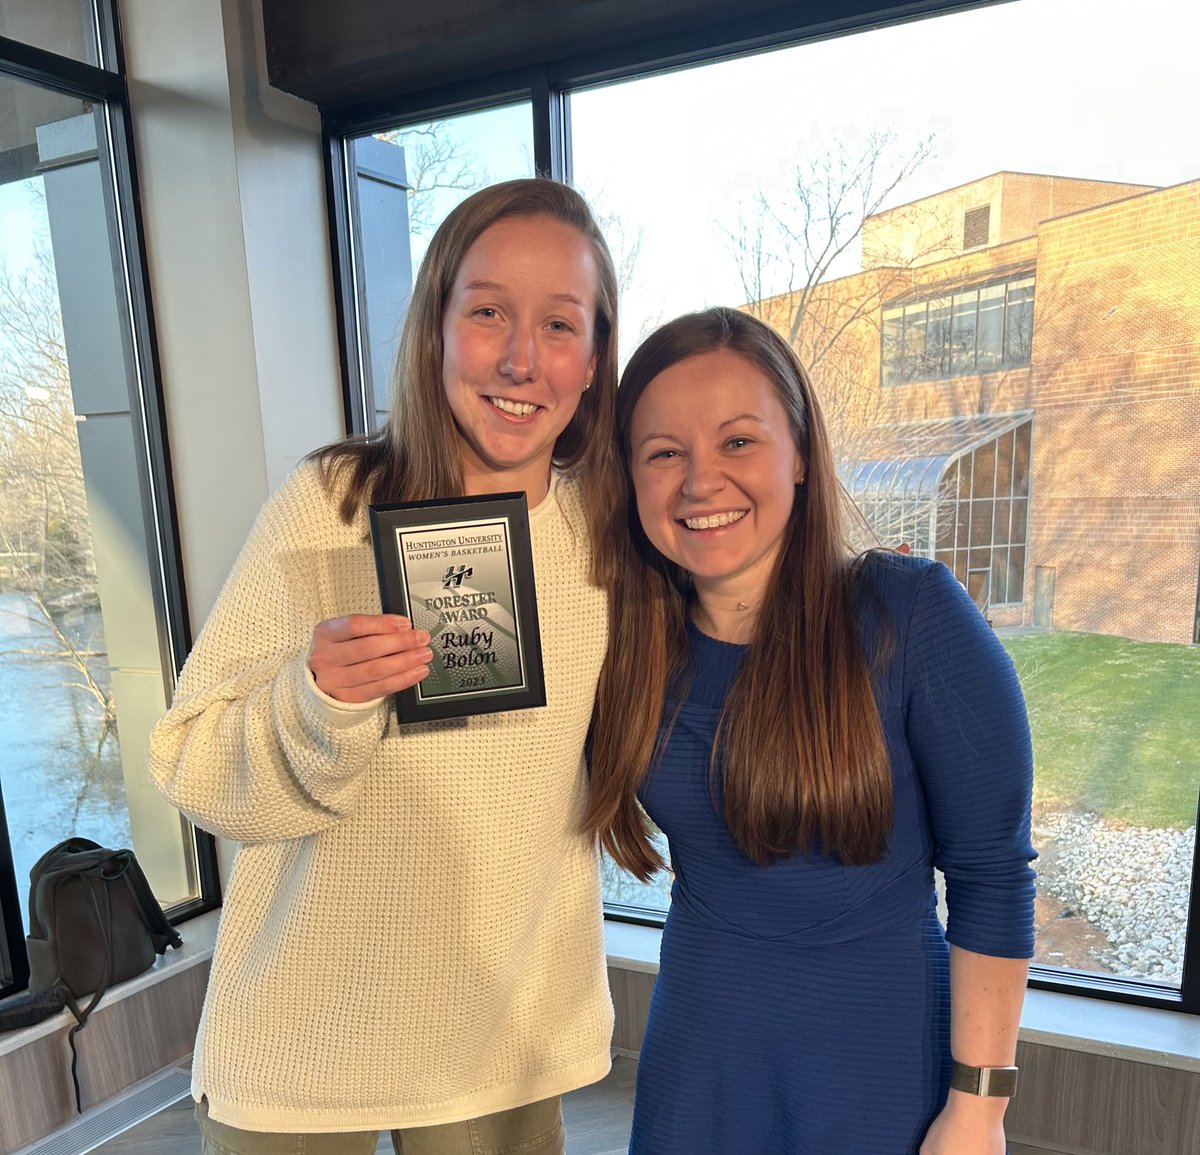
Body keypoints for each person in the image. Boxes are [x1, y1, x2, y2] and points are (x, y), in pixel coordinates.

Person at [148, 178, 620, 1154]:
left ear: (595, 360)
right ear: (435, 327)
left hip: (501, 1036)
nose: (522, 357)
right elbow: (190, 762)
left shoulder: (609, 541)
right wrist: (315, 703)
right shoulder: (332, 507)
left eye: (560, 324)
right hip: (307, 1034)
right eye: (487, 311)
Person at [584, 307, 1036, 1155]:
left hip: (877, 1052)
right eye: (664, 452)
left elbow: (993, 875)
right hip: (701, 1048)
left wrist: (979, 1107)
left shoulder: (913, 615)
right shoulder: (625, 641)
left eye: (739, 442)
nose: (699, 481)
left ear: (799, 453)